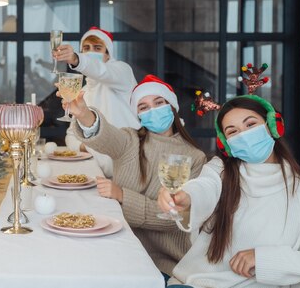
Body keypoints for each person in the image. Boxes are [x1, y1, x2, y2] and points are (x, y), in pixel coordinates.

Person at [158, 95, 300, 287]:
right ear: (227, 144)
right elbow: (205, 186)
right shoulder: (221, 170)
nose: (244, 135)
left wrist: (265, 259)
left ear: (273, 126)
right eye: (233, 132)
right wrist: (186, 197)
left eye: (250, 125)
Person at [66, 74, 207, 275]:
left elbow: (173, 220)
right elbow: (104, 135)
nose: (153, 110)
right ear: (138, 115)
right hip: (117, 251)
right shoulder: (129, 141)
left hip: (163, 263)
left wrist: (122, 195)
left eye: (159, 102)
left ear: (172, 106)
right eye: (143, 107)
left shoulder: (195, 157)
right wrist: (83, 114)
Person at [55, 27, 139, 177]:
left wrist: (76, 59)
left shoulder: (122, 72)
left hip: (129, 168)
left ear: (108, 54)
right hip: (96, 174)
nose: (91, 51)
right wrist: (90, 150)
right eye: (86, 48)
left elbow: (103, 71)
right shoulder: (83, 91)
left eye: (98, 48)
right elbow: (71, 135)